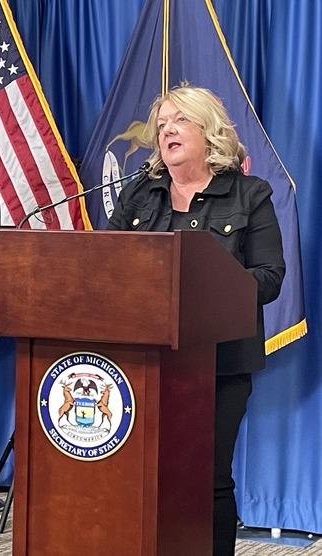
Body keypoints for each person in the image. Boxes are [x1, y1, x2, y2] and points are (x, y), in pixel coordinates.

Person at [107, 83, 285, 556]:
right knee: (146, 473)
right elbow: (105, 265)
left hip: (219, 365)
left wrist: (205, 285)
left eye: (178, 121)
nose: (167, 130)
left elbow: (268, 278)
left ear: (208, 131)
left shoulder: (249, 194)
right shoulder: (141, 193)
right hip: (145, 363)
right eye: (162, 124)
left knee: (207, 476)